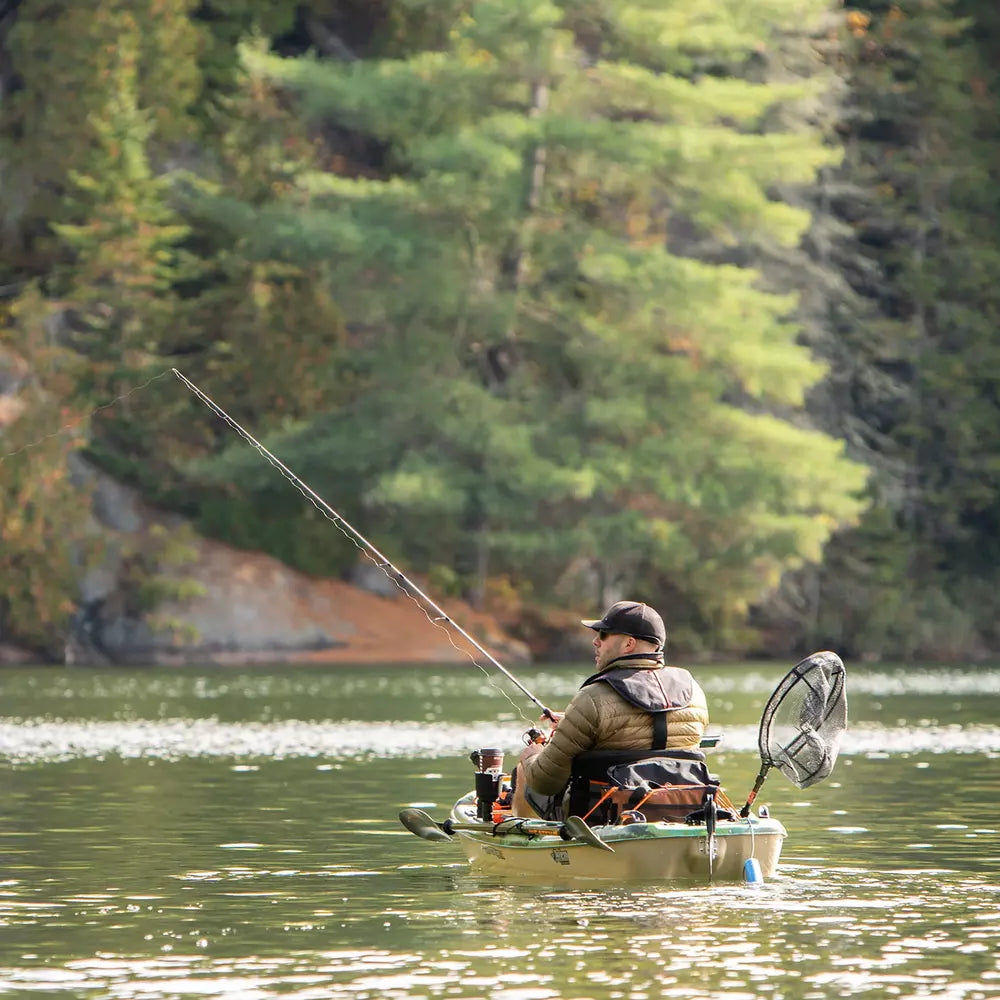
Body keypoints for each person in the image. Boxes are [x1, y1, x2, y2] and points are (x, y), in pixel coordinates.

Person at [511, 600, 709, 820]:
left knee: (525, 770)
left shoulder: (591, 698)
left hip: (599, 818)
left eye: (603, 635)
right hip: (680, 811)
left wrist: (531, 756)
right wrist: (572, 723)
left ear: (628, 644)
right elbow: (648, 731)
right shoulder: (695, 693)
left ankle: (525, 839)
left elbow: (545, 782)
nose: (595, 642)